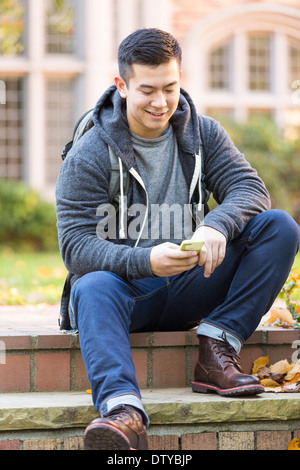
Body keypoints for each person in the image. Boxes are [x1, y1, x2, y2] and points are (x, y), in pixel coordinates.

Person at [55, 28, 300, 450]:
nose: (160, 102)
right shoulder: (91, 151)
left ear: (180, 78)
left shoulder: (203, 132)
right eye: (147, 90)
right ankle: (123, 411)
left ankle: (217, 346)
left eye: (170, 87)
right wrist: (145, 261)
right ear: (122, 85)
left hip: (193, 281)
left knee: (279, 226)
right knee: (90, 283)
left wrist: (214, 225)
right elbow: (75, 246)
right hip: (126, 295)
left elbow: (249, 189)